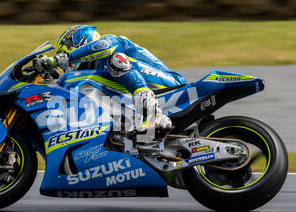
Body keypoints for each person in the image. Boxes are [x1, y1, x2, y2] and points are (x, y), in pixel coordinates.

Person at [34, 25, 186, 132]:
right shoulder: (97, 72)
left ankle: (153, 113)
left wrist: (65, 58)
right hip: (140, 94)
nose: (64, 65)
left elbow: (104, 46)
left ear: (79, 42)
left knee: (116, 60)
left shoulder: (110, 42)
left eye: (66, 50)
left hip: (170, 84)